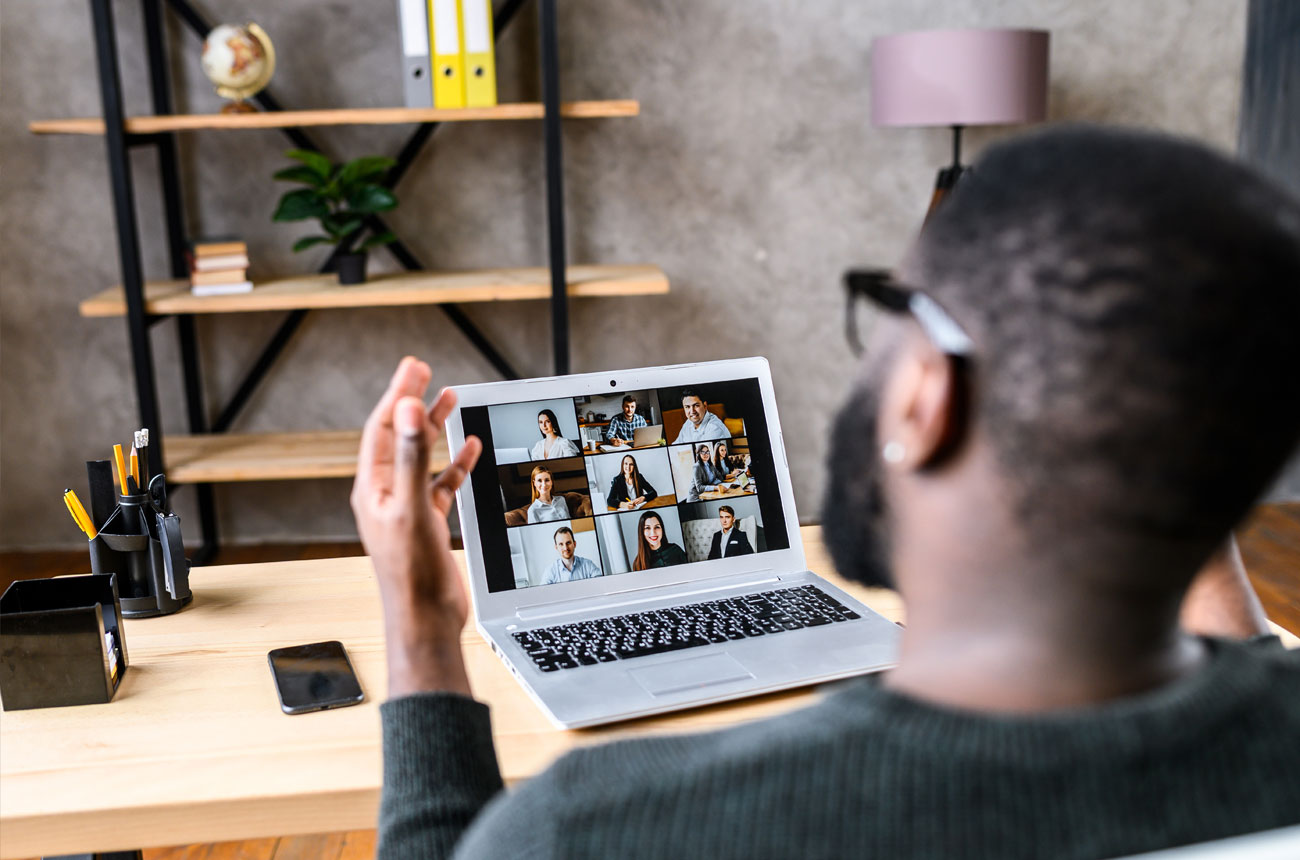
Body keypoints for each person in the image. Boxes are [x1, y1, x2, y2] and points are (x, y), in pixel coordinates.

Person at [351, 126, 1300, 860]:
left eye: (895, 314)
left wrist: (425, 622)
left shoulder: (604, 829)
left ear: (929, 398)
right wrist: (1183, 475)